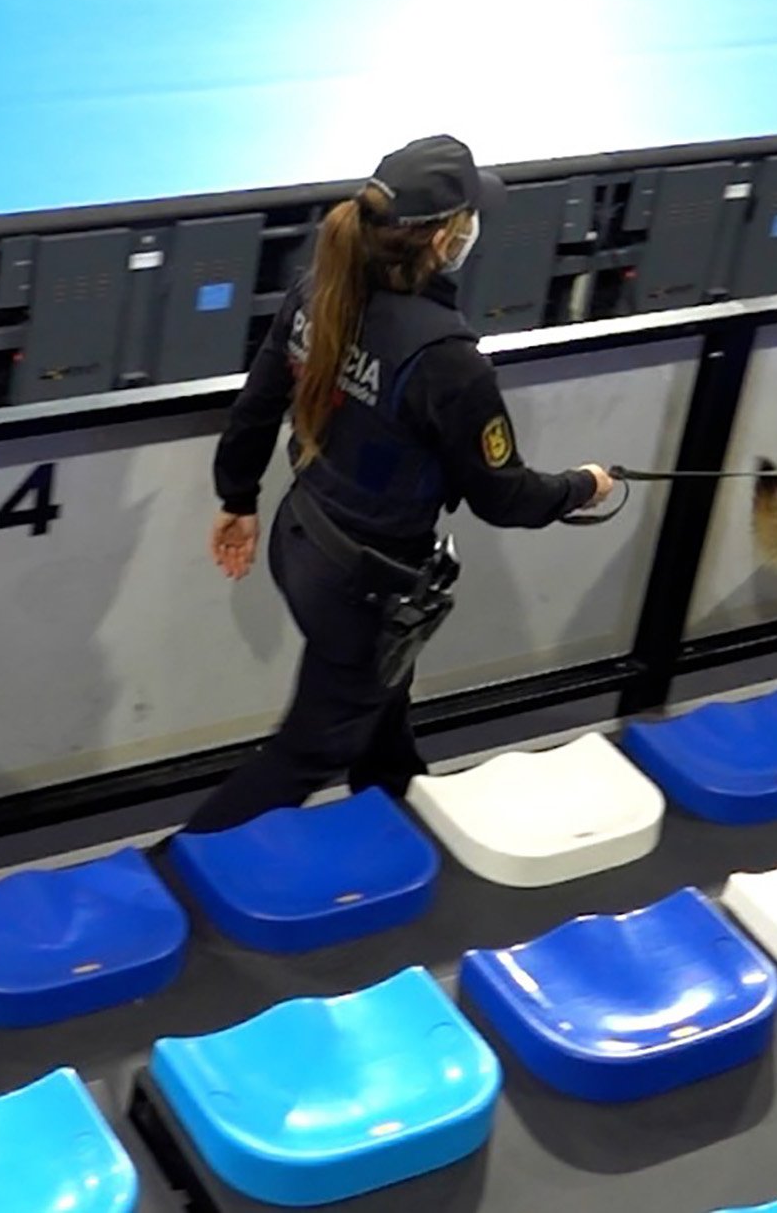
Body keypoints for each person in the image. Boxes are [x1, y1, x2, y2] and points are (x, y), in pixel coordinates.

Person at [186, 133, 614, 833]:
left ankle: (401, 799)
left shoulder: (316, 291)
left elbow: (257, 406)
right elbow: (503, 496)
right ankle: (178, 870)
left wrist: (237, 498)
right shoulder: (447, 359)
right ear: (446, 238)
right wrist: (582, 486)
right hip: (367, 582)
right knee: (309, 748)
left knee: (379, 700)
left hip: (303, 541)